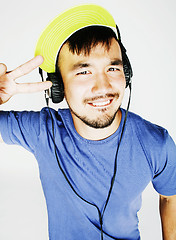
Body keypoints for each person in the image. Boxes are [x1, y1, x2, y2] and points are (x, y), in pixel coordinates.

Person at [0, 4, 176, 240]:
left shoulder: (156, 142)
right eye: (84, 72)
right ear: (58, 87)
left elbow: (170, 196)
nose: (103, 87)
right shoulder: (44, 130)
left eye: (113, 67)